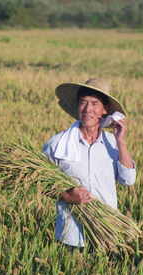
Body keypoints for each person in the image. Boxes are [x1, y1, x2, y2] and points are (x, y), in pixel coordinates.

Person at [42, 78, 136, 248]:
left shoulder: (113, 143)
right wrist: (67, 196)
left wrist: (121, 141)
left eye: (94, 104)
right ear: (78, 107)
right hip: (71, 235)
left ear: (104, 110)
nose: (88, 109)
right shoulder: (57, 143)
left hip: (106, 234)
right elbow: (41, 182)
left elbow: (128, 180)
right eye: (83, 103)